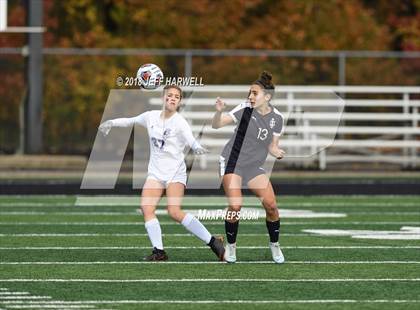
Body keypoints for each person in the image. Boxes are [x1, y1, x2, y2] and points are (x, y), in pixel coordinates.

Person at [99, 84, 225, 261]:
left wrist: (197, 148)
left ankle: (213, 242)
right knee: (146, 207)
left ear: (179, 102)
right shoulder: (150, 117)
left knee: (174, 211)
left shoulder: (180, 121)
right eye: (169, 95)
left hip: (175, 173)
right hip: (156, 174)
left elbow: (190, 139)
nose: (172, 98)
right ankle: (159, 252)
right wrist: (111, 123)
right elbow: (130, 121)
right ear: (163, 98)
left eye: (176, 97)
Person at [212, 71, 286, 263]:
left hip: (254, 165)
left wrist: (276, 151)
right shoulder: (245, 108)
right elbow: (217, 125)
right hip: (232, 161)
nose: (250, 96)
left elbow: (272, 145)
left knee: (271, 206)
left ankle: (275, 245)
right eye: (250, 93)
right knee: (236, 205)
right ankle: (231, 246)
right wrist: (219, 111)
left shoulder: (277, 118)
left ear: (267, 97)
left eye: (255, 93)